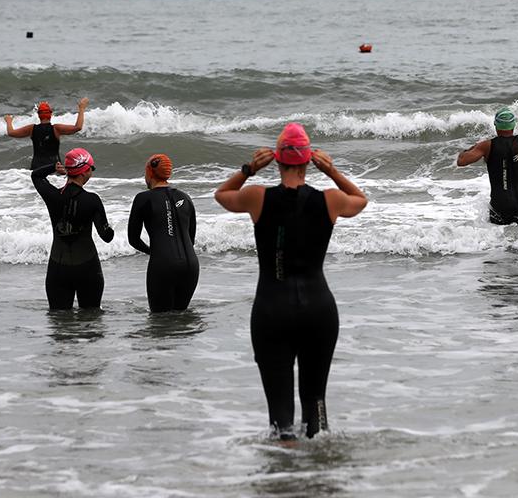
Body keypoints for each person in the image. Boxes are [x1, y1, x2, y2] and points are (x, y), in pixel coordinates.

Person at [213, 122, 367, 442]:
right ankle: (318, 473)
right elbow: (360, 199)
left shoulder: (257, 197)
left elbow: (222, 195)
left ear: (277, 159)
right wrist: (331, 171)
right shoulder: (331, 201)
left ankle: (284, 477)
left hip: (272, 310)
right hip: (319, 310)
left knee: (281, 416)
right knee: (316, 403)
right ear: (309, 159)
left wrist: (248, 169)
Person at [32, 147, 115, 310]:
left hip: (58, 268)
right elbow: (106, 236)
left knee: (60, 325)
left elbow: (36, 175)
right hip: (88, 268)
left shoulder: (53, 196)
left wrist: (53, 168)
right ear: (84, 171)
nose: (92, 171)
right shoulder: (92, 200)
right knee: (91, 321)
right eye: (91, 168)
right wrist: (110, 227)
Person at [127, 154, 199, 312]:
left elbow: (133, 239)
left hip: (163, 265)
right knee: (180, 319)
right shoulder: (185, 198)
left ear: (149, 172)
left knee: (160, 322)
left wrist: (154, 252)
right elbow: (190, 238)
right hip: (191, 266)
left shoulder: (143, 198)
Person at [5, 98, 89, 169]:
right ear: (51, 114)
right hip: (54, 166)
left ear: (38, 115)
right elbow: (78, 127)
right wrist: (81, 108)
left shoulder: (32, 129)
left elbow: (11, 132)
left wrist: (9, 121)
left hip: (37, 166)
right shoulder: (56, 128)